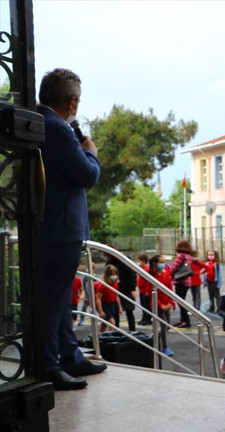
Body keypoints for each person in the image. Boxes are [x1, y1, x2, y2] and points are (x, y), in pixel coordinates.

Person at [36, 68, 106, 390]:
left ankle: (70, 355)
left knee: (61, 298)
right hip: (61, 229)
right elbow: (87, 176)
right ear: (73, 102)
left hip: (51, 226)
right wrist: (90, 151)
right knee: (54, 301)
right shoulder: (59, 130)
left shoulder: (39, 122)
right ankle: (50, 365)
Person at [104, 247, 137, 331]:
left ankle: (132, 331)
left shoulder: (124, 259)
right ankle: (117, 331)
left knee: (129, 311)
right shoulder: (109, 262)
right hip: (115, 290)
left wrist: (133, 288)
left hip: (127, 288)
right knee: (115, 312)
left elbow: (133, 273)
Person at [148, 255, 175, 356]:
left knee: (168, 325)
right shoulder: (151, 276)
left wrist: (169, 302)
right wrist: (161, 305)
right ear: (155, 263)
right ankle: (164, 347)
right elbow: (151, 292)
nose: (163, 264)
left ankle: (154, 338)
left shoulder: (165, 274)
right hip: (156, 305)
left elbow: (169, 289)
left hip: (166, 303)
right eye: (161, 262)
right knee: (164, 325)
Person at [166, 240, 195, 328]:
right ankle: (183, 320)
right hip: (187, 281)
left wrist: (170, 274)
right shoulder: (188, 256)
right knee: (182, 300)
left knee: (180, 301)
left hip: (180, 280)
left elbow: (175, 267)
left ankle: (185, 321)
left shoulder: (180, 256)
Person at [94, 264, 122, 332]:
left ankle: (100, 336)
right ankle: (110, 338)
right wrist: (100, 311)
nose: (114, 276)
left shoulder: (115, 284)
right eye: (112, 274)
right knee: (112, 323)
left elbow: (116, 296)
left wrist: (120, 307)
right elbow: (98, 299)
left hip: (111, 303)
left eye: (115, 274)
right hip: (104, 304)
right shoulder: (102, 285)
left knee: (104, 323)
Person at [136, 254, 153, 325]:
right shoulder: (142, 269)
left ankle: (147, 318)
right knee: (143, 305)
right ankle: (144, 318)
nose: (138, 263)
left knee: (146, 305)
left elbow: (148, 282)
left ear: (143, 261)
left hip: (145, 291)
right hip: (141, 290)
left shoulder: (147, 269)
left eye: (139, 261)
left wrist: (147, 291)